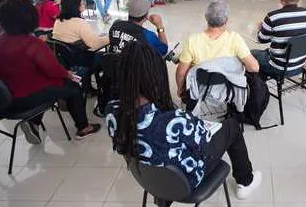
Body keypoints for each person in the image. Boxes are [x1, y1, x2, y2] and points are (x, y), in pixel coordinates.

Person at [105, 41, 262, 199]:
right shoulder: (175, 121)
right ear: (155, 77)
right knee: (232, 126)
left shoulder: (111, 111)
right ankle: (245, 181)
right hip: (187, 180)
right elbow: (203, 140)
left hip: (148, 178)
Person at [0, 0, 101, 143]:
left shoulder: (0, 40)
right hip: (23, 97)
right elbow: (53, 70)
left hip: (2, 97)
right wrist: (67, 74)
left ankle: (34, 122)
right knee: (73, 86)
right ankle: (83, 127)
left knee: (56, 85)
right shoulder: (33, 44)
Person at [176, 1, 259, 98]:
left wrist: (180, 90)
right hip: (227, 90)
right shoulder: (234, 38)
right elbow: (254, 67)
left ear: (206, 18)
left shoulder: (192, 40)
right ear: (227, 20)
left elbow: (181, 73)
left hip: (200, 90)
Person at [254, 0, 306, 90]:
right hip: (300, 65)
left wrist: (261, 28)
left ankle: (257, 89)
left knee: (250, 54)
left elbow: (261, 40)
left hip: (278, 67)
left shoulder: (272, 16)